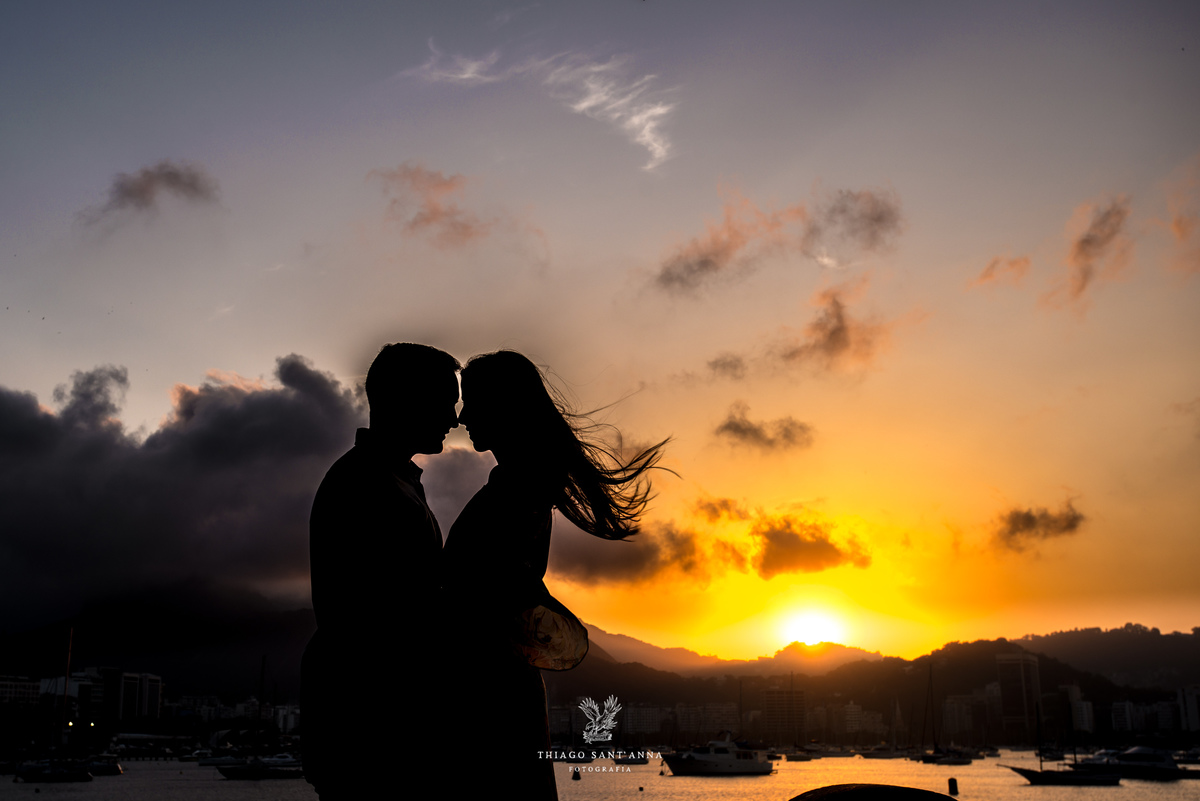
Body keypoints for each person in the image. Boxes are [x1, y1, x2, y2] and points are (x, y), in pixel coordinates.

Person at [442, 350, 667, 799]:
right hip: (500, 687)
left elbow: (489, 591)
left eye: (474, 402)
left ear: (506, 407)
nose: (463, 416)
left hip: (490, 694)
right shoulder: (521, 483)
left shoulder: (515, 489)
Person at [301, 343, 460, 800]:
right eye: (445, 402)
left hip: (376, 729)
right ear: (405, 400)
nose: (453, 418)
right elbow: (385, 621)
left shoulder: (392, 481)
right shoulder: (367, 487)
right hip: (373, 735)